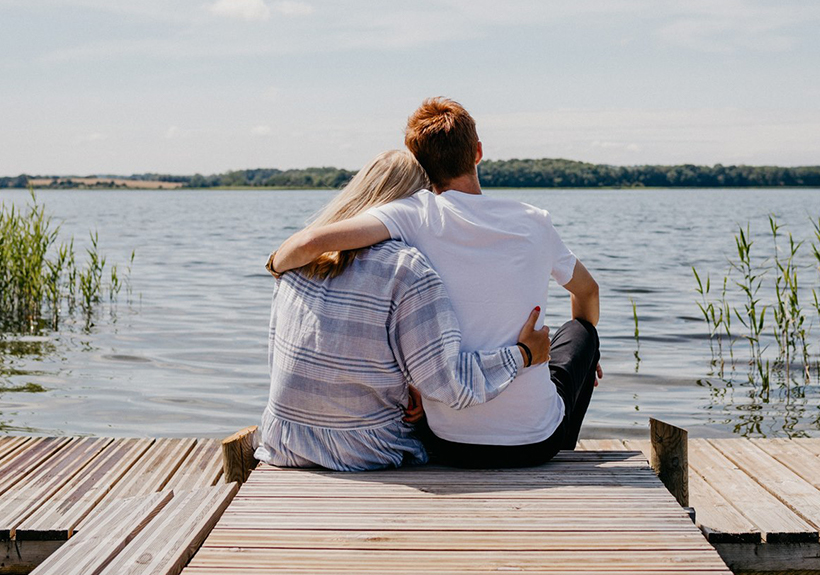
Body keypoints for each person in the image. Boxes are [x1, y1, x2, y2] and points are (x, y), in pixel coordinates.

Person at [268, 98, 601, 468]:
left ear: (420, 165)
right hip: (535, 444)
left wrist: (277, 267)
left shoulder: (410, 216)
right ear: (478, 152)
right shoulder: (534, 222)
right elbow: (588, 291)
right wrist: (582, 362)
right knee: (580, 335)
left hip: (444, 441)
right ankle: (562, 447)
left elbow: (309, 243)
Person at [255, 149, 550, 472]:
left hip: (285, 440)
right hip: (364, 449)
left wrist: (409, 385)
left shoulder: (297, 261)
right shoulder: (404, 268)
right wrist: (523, 353)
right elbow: (449, 384)